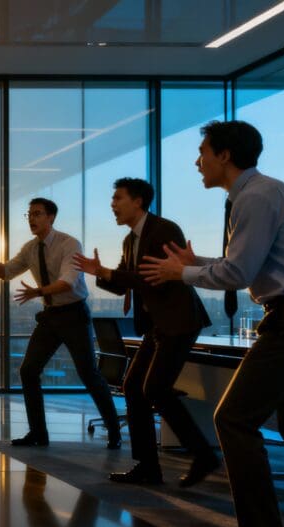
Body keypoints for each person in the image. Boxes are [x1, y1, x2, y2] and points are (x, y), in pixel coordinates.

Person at [140, 120, 284, 527]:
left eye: (203, 151)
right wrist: (197, 262)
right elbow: (243, 263)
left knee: (233, 419)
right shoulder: (257, 194)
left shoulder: (257, 197)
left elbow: (239, 274)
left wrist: (181, 273)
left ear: (224, 155)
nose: (197, 160)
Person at [74, 178, 215, 487]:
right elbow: (125, 282)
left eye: (118, 198)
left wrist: (108, 271)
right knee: (134, 387)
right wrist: (100, 272)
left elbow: (155, 278)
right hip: (156, 326)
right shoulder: (130, 240)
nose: (112, 204)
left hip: (178, 322)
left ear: (138, 201)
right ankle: (148, 467)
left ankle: (203, 453)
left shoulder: (164, 230)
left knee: (154, 389)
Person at [0, 198, 121, 449]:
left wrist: (38, 291)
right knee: (28, 371)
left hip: (73, 314)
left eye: (37, 214)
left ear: (51, 217)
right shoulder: (30, 248)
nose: (31, 219)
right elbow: (5, 273)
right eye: (29, 214)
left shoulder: (69, 244)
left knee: (88, 374)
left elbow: (68, 282)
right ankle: (38, 433)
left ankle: (114, 431)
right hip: (50, 316)